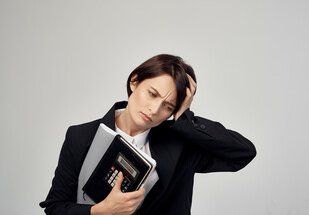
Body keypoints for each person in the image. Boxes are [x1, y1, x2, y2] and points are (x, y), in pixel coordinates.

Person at [40, 54, 256, 215]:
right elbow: (55, 207)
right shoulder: (80, 136)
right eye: (152, 94)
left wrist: (185, 120)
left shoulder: (180, 146)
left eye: (168, 106)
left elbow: (243, 153)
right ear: (134, 82)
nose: (154, 110)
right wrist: (100, 211)